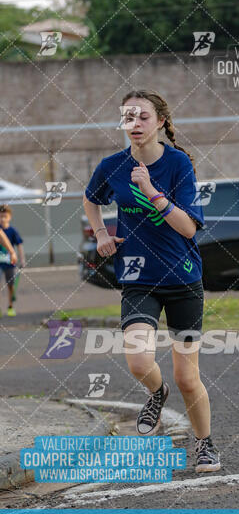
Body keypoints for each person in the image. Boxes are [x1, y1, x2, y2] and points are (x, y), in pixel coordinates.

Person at [83, 89, 220, 473]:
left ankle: (205, 444)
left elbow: (189, 228)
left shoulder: (178, 165)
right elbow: (90, 198)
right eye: (128, 117)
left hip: (183, 278)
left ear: (160, 121)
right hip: (138, 277)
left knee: (187, 377)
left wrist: (151, 192)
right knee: (140, 360)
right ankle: (156, 395)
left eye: (143, 117)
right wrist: (100, 233)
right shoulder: (112, 166)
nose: (135, 124)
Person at [0, 204, 24, 317]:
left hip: (9, 263)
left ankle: (10, 306)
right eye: (1, 216)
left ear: (9, 217)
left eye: (5, 216)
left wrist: (21, 259)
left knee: (10, 285)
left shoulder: (12, 231)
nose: (2, 219)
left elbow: (19, 245)